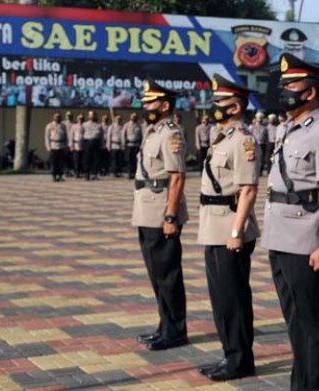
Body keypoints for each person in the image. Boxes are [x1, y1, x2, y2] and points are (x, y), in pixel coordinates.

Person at [260, 53, 319, 391]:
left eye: (291, 85)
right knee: (294, 320)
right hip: (279, 236)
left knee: (312, 323)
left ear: (310, 92)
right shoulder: (286, 130)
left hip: (306, 239)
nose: (285, 91)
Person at [196, 74, 260, 381]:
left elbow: (248, 189)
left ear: (235, 107)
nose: (215, 107)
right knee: (221, 298)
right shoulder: (221, 136)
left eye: (220, 103)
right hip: (214, 225)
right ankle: (229, 354)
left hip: (229, 228)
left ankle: (240, 360)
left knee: (233, 298)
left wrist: (236, 232)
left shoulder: (243, 140)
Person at [132, 78, 189, 351]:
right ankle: (164, 325)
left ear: (165, 105)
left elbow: (177, 177)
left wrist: (170, 216)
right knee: (156, 273)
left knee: (168, 274)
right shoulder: (153, 131)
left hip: (160, 210)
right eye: (144, 102)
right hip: (145, 208)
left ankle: (175, 330)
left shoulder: (170, 133)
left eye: (150, 102)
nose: (145, 106)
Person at [45, 112, 68, 182]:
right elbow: (47, 137)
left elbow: (66, 136)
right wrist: (48, 146)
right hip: (53, 145)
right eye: (56, 116)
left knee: (61, 162)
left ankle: (60, 175)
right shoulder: (49, 125)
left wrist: (66, 146)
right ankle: (54, 176)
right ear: (53, 117)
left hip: (61, 146)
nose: (58, 118)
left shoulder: (63, 125)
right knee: (54, 162)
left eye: (59, 116)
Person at [82, 111, 104, 181]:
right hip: (87, 142)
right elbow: (81, 134)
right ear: (89, 116)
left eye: (94, 115)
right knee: (87, 159)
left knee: (96, 159)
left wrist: (102, 144)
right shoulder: (84, 124)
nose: (92, 117)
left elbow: (101, 136)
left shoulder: (99, 125)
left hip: (96, 142)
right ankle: (87, 174)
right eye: (91, 115)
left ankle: (94, 174)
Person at [124, 112, 142, 179]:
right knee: (129, 160)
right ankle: (129, 172)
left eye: (135, 117)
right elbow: (124, 135)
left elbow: (141, 135)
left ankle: (134, 173)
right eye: (133, 117)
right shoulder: (127, 125)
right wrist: (123, 144)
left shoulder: (139, 125)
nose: (134, 118)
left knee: (136, 160)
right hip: (129, 145)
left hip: (136, 145)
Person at [69, 114, 85, 178]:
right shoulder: (74, 126)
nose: (80, 120)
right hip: (76, 145)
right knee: (76, 160)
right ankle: (77, 172)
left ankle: (82, 172)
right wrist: (71, 146)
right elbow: (71, 136)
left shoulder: (85, 126)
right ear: (77, 119)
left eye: (82, 119)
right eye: (79, 118)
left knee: (83, 160)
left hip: (83, 145)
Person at [63, 111, 75, 177]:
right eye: (68, 115)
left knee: (71, 158)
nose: (69, 117)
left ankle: (70, 170)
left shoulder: (74, 124)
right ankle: (66, 170)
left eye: (70, 115)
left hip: (72, 144)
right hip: (64, 143)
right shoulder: (63, 123)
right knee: (65, 158)